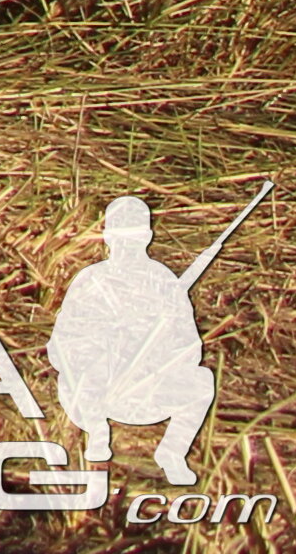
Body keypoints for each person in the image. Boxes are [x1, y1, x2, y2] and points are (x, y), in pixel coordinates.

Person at [50, 194, 227, 485]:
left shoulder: (164, 281)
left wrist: (157, 351)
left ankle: (171, 452)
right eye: (120, 237)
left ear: (147, 237)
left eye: (132, 237)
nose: (126, 245)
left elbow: (190, 348)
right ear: (107, 236)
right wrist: (106, 346)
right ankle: (96, 439)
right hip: (95, 391)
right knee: (82, 374)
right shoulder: (91, 280)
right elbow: (60, 344)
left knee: (201, 381)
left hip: (146, 390)